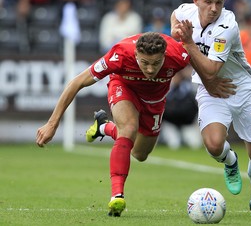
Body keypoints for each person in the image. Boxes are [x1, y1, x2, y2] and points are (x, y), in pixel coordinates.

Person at [35, 32, 234, 217]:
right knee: (128, 129)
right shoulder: (120, 55)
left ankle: (104, 126)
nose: (149, 69)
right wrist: (52, 123)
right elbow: (77, 82)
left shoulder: (178, 55)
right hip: (124, 88)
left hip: (155, 101)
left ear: (164, 56)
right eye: (145, 62)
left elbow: (201, 65)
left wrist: (211, 84)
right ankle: (117, 196)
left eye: (156, 63)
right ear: (136, 54)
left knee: (140, 154)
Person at [171, 0, 251, 217]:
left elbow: (211, 69)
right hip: (210, 89)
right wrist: (176, 30)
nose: (214, 8)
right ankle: (230, 161)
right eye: (208, 1)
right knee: (214, 144)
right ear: (196, 0)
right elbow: (175, 15)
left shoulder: (227, 26)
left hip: (241, 88)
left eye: (219, 2)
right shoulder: (187, 11)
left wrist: (187, 42)